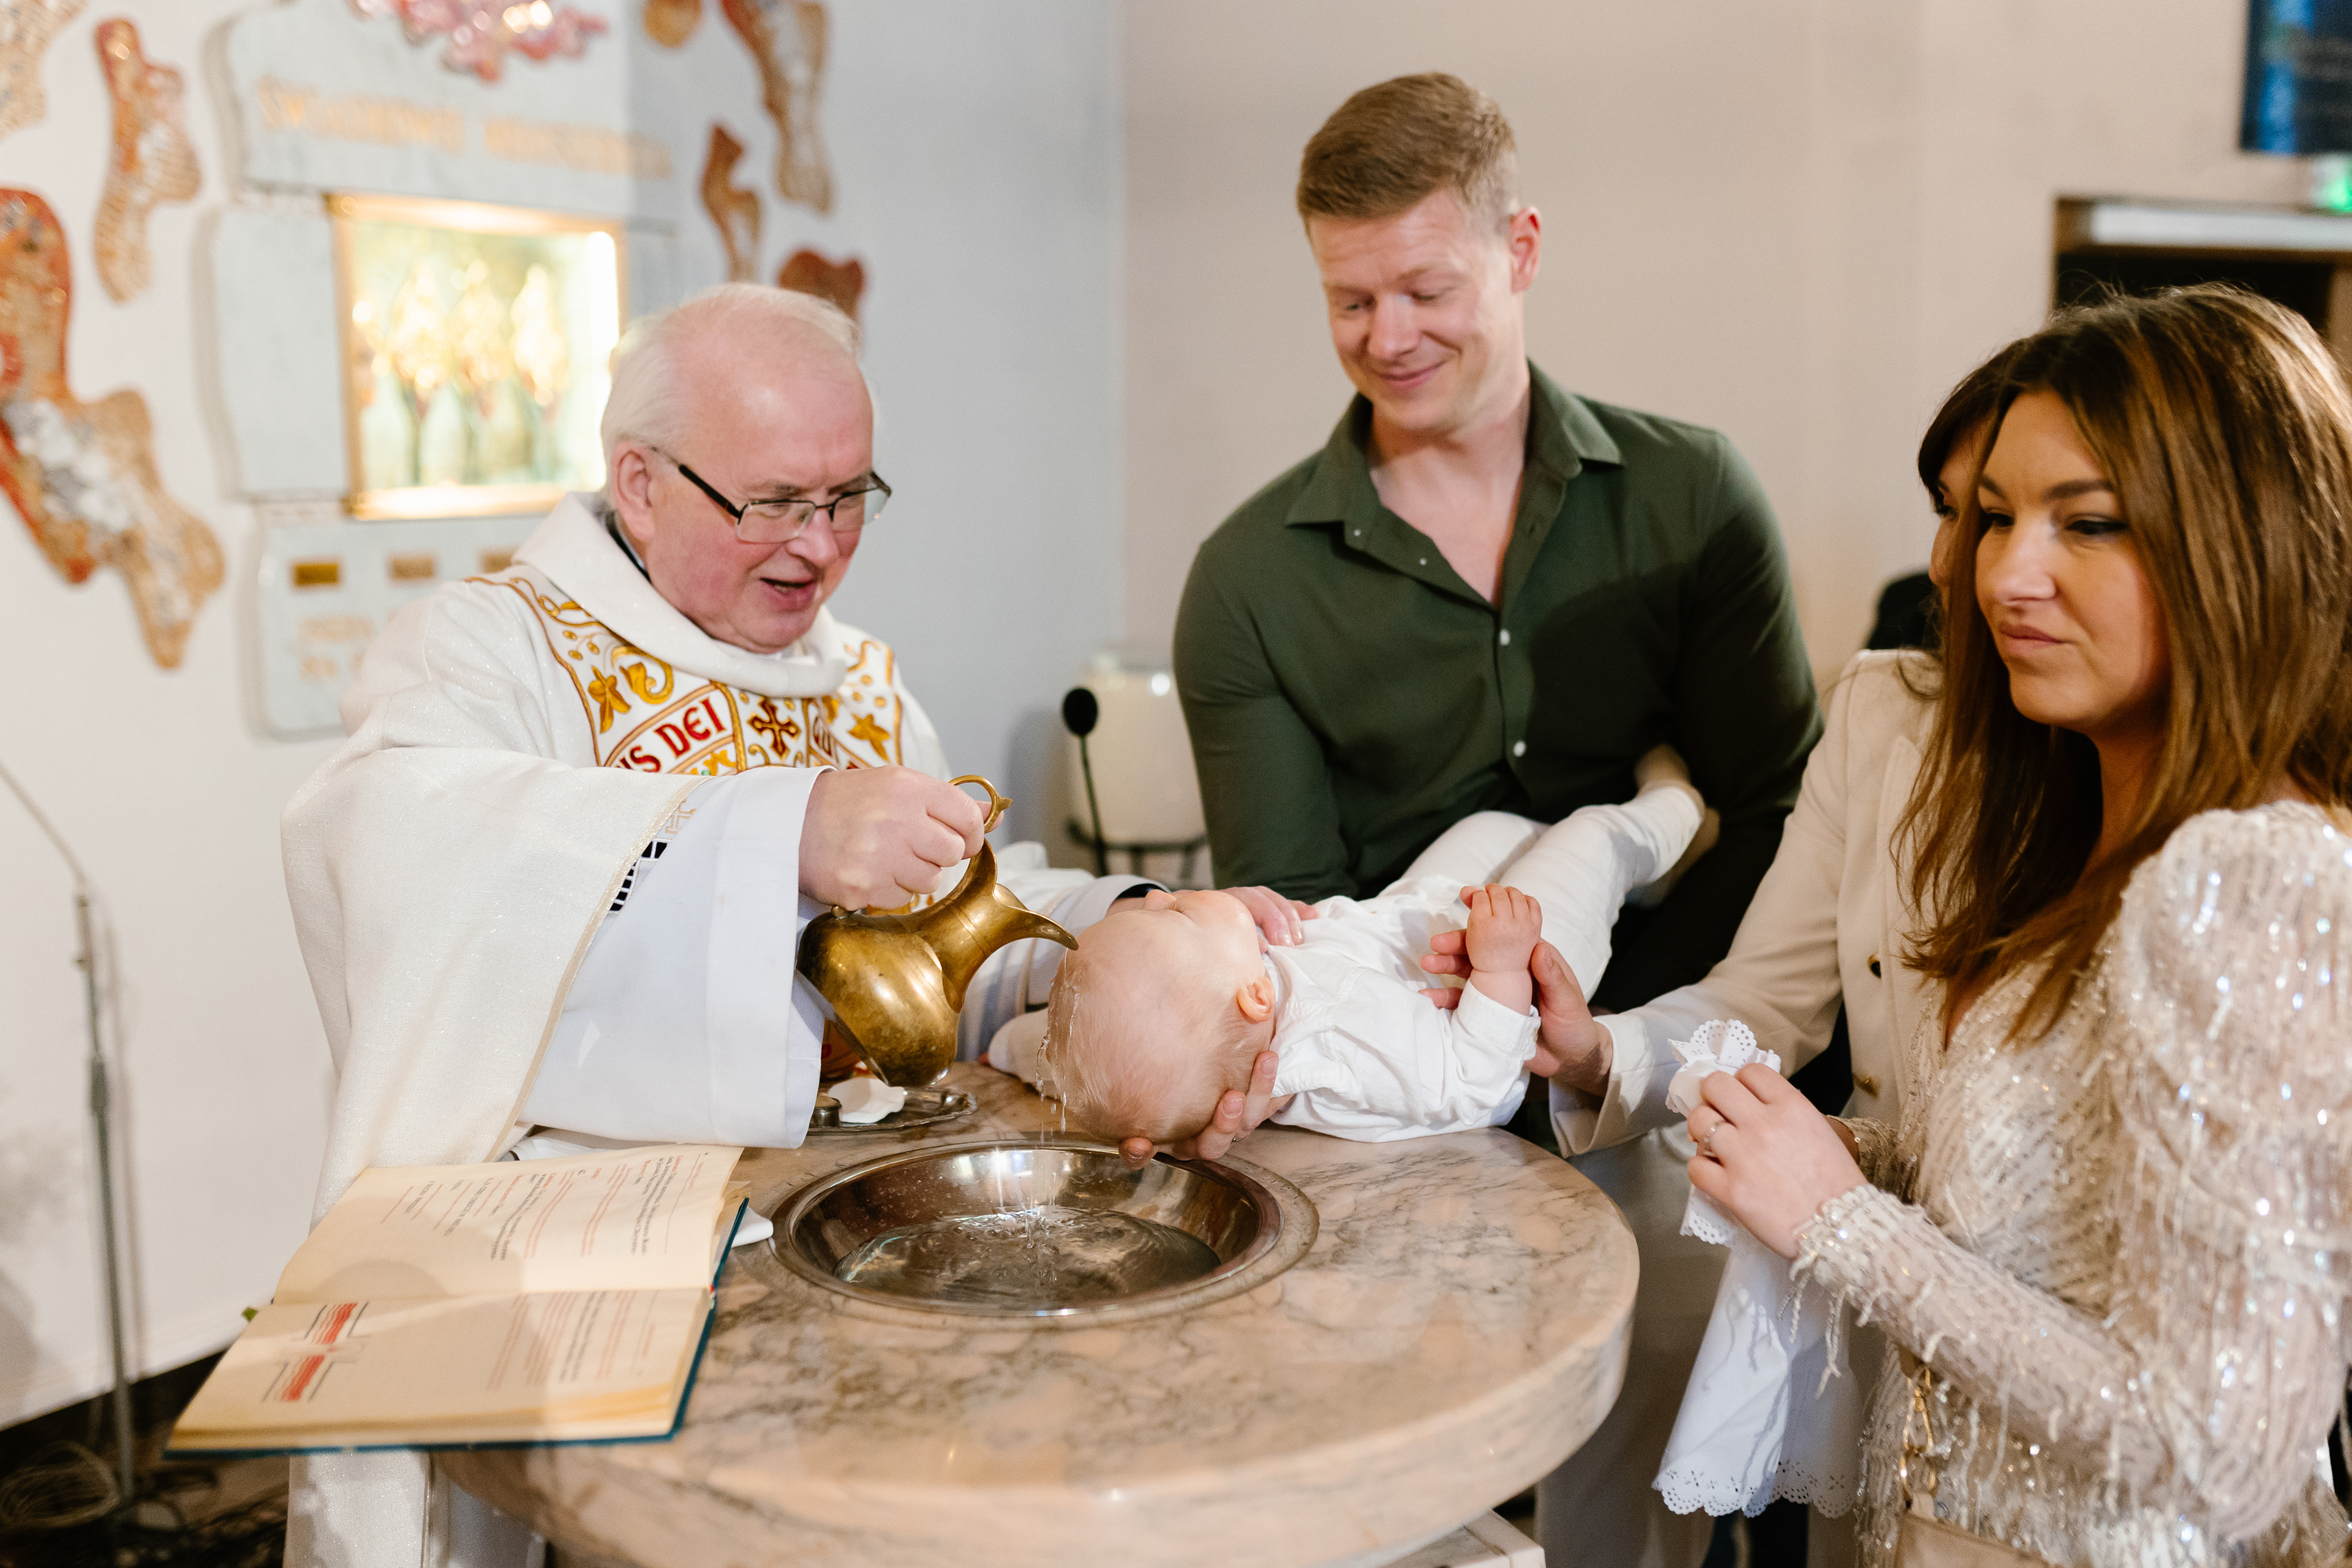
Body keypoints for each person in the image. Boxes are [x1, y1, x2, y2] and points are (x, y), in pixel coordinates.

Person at [277, 284, 1295, 1568]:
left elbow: (956, 926)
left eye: (848, 497)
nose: (818, 546)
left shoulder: (857, 678)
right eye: (773, 503)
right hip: (606, 1291)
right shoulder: (490, 652)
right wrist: (774, 831)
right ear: (641, 484)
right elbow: (388, 854)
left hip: (859, 1258)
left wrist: (1138, 929)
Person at [1171, 73, 1820, 1568]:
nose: (1387, 335)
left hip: (1675, 1071)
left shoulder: (1692, 500)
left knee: (1659, 1481)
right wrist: (1461, 1054)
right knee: (1393, 1491)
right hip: (1400, 1112)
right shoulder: (1250, 581)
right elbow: (1294, 909)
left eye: (1425, 288)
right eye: (1349, 300)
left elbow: (1779, 819)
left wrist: (1619, 1052)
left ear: (1519, 248)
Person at [1681, 286, 2352, 1567]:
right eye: (1993, 517)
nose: (2004, 574)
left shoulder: (2249, 879)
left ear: (2248, 541)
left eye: (2086, 523)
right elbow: (2073, 1212)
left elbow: (2221, 1446)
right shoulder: (2084, 825)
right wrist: (1857, 1158)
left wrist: (1842, 1222)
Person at [1041, 760, 1706, 1146]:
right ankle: (1679, 804)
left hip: (1424, 916)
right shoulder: (1340, 1040)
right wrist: (1503, 964)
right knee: (1595, 837)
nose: (1159, 897)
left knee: (1492, 829)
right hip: (1513, 976)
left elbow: (1085, 1046)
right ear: (1255, 997)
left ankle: (1642, 878)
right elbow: (1472, 1082)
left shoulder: (1235, 1001)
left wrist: (1011, 1049)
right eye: (1179, 915)